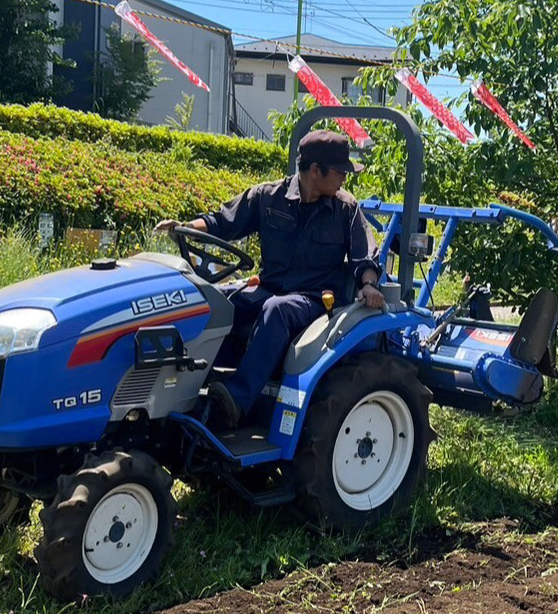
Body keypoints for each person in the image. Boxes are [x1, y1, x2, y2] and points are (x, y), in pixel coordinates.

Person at [155, 130, 385, 429]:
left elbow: (364, 256)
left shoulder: (346, 208)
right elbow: (222, 222)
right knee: (219, 304)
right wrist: (185, 227)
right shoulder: (267, 197)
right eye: (340, 172)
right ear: (315, 171)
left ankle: (233, 402)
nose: (344, 179)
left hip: (315, 299)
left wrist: (369, 284)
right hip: (268, 288)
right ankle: (187, 388)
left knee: (276, 309)